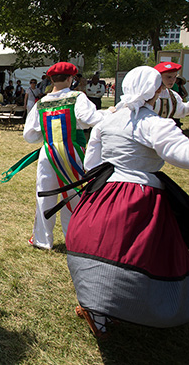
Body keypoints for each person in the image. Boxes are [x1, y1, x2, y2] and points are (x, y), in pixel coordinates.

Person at [64, 66, 189, 338]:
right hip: (141, 196)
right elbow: (181, 154)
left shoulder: (108, 121)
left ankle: (98, 308)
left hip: (103, 191)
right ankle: (131, 306)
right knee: (147, 252)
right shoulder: (152, 123)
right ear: (155, 91)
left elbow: (91, 162)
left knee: (96, 245)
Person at [21, 62, 108, 249]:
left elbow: (29, 134)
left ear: (51, 79)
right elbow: (89, 119)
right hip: (72, 151)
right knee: (75, 193)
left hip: (48, 152)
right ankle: (75, 239)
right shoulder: (77, 97)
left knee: (45, 193)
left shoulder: (42, 102)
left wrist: (46, 135)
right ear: (71, 78)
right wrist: (109, 113)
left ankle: (42, 240)